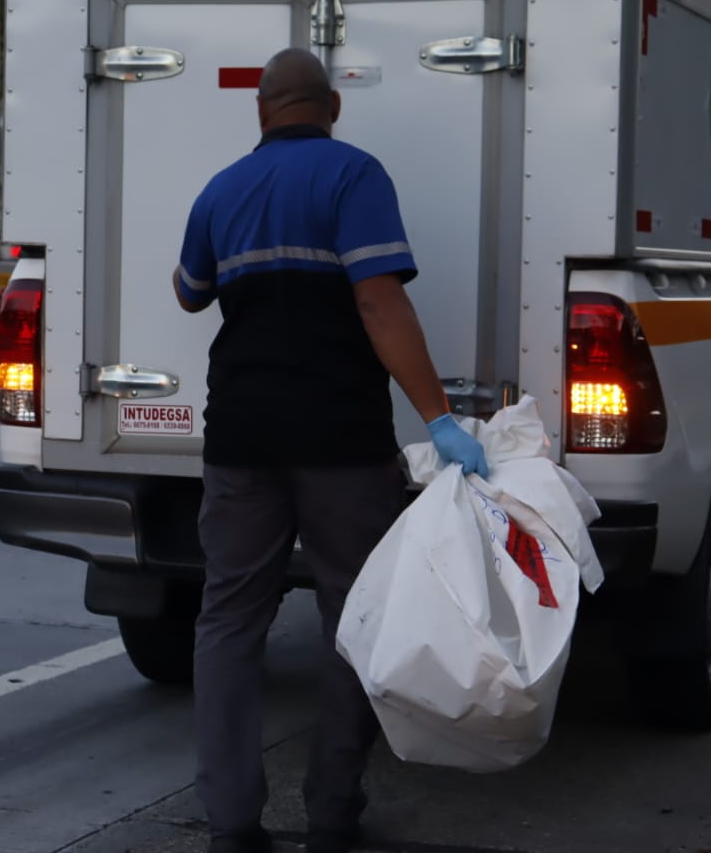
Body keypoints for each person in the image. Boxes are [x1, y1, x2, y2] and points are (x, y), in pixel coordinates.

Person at [172, 46, 489, 853]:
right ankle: (331, 812)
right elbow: (378, 298)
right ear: (332, 108)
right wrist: (440, 416)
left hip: (240, 439)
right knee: (355, 616)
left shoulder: (220, 188)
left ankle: (231, 823)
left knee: (229, 621)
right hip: (341, 441)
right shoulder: (355, 176)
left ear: (262, 111)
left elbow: (188, 291)